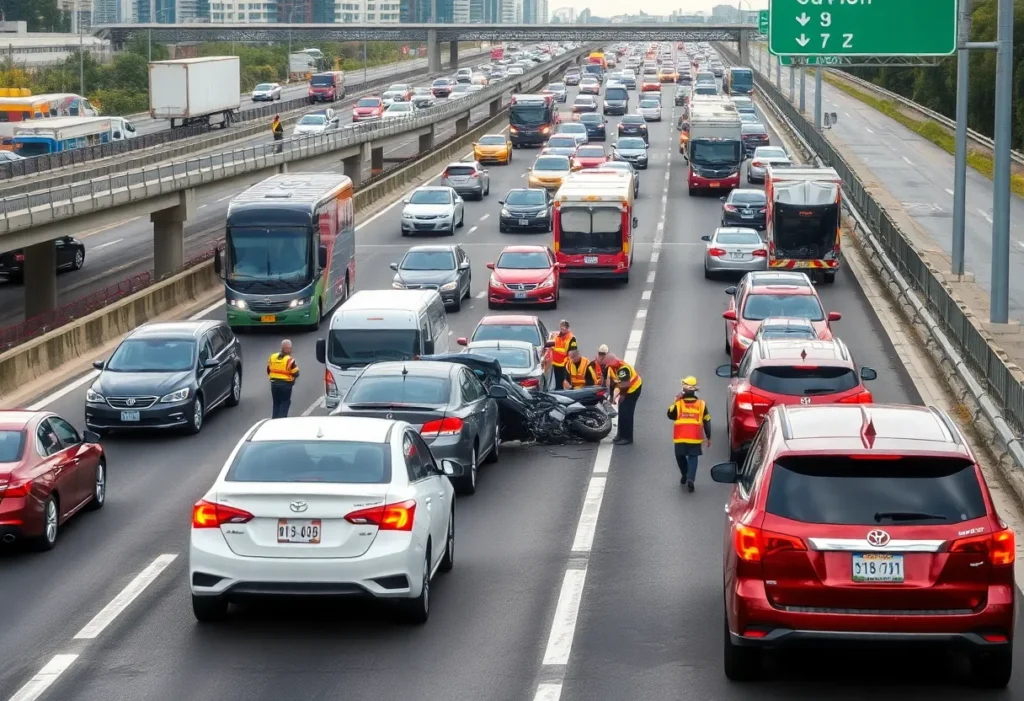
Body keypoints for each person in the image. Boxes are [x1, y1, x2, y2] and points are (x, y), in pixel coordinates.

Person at [667, 376, 711, 492]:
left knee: (680, 457)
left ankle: (684, 475)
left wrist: (674, 401)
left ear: (684, 389)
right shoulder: (701, 404)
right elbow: (707, 421)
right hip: (695, 437)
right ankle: (691, 478)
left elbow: (670, 415)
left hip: (680, 437)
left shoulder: (679, 403)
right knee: (693, 457)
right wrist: (708, 437)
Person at [604, 352, 642, 445]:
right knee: (622, 411)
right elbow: (613, 382)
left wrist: (622, 396)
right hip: (624, 388)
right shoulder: (610, 367)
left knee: (627, 413)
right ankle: (620, 434)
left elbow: (626, 384)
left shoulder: (623, 369)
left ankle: (627, 437)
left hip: (632, 390)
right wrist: (612, 396)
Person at [267, 339, 299, 418]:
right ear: (288, 349)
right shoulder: (290, 360)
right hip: (286, 386)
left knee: (276, 403)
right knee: (285, 403)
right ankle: (282, 422)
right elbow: (296, 373)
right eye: (290, 348)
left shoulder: (273, 357)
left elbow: (268, 370)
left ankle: (274, 420)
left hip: (274, 384)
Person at [548, 320, 577, 391]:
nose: (562, 329)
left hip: (565, 364)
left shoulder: (571, 338)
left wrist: (555, 350)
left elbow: (572, 351)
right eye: (561, 328)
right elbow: (550, 344)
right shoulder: (556, 336)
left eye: (564, 328)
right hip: (556, 363)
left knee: (566, 381)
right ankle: (558, 391)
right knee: (558, 382)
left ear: (567, 328)